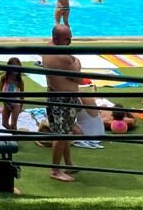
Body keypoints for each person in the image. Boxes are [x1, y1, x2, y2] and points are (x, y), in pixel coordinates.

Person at [42, 24, 84, 183]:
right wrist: (76, 61)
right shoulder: (63, 57)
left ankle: (68, 163)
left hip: (53, 95)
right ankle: (55, 170)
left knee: (64, 132)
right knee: (61, 135)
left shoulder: (48, 47)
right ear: (56, 38)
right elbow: (79, 77)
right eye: (67, 39)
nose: (70, 41)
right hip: (64, 100)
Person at [0, 57, 24, 131]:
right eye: (14, 66)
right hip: (6, 103)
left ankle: (14, 136)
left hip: (15, 105)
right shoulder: (4, 78)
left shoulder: (19, 81)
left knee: (13, 125)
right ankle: (14, 133)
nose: (16, 69)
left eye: (17, 67)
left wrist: (20, 107)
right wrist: (5, 104)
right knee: (4, 124)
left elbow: (22, 95)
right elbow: (1, 91)